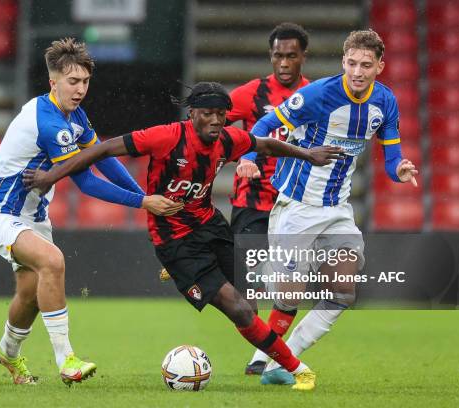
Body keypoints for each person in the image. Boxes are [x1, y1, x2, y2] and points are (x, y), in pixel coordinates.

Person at [23, 82, 345, 391]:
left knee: (250, 303)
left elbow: (265, 144)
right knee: (240, 310)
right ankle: (295, 369)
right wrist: (51, 175)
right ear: (192, 114)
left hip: (210, 225)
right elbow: (104, 148)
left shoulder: (228, 140)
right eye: (208, 113)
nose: (216, 119)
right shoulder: (166, 137)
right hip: (174, 239)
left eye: (222, 113)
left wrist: (308, 154)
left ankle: (269, 361)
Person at [0, 38, 182, 386]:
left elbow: (103, 157)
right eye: (73, 81)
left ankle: (6, 351)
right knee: (53, 261)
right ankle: (66, 359)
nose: (81, 89)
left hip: (34, 217)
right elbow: (85, 181)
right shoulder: (49, 123)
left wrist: (143, 196)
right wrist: (143, 203)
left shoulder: (75, 115)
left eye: (85, 81)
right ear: (53, 81)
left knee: (30, 294)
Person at [242, 29, 418, 385]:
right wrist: (247, 157)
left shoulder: (385, 102)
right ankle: (271, 288)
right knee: (288, 296)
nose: (357, 71)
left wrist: (399, 170)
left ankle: (280, 362)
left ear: (380, 66)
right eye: (351, 63)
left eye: (366, 65)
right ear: (343, 62)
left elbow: (392, 156)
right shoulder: (320, 94)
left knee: (344, 291)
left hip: (337, 208)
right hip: (297, 206)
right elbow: (265, 124)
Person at [227, 22, 311, 376]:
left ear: (303, 56)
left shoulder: (317, 95)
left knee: (292, 282)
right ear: (270, 55)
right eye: (278, 55)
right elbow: (213, 127)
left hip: (296, 204)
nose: (284, 63)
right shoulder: (250, 94)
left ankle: (263, 357)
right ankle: (264, 350)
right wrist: (242, 156)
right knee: (248, 286)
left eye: (292, 56)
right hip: (252, 203)